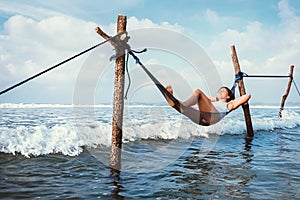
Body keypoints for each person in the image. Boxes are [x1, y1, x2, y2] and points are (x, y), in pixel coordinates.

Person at [164, 85, 251, 125]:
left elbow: (247, 96)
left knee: (198, 92)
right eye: (219, 91)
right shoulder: (212, 102)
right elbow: (205, 99)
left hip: (213, 116)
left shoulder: (229, 104)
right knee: (185, 108)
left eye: (223, 91)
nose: (220, 91)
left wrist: (233, 100)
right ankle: (175, 103)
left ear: (228, 96)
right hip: (201, 119)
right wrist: (215, 99)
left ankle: (182, 104)